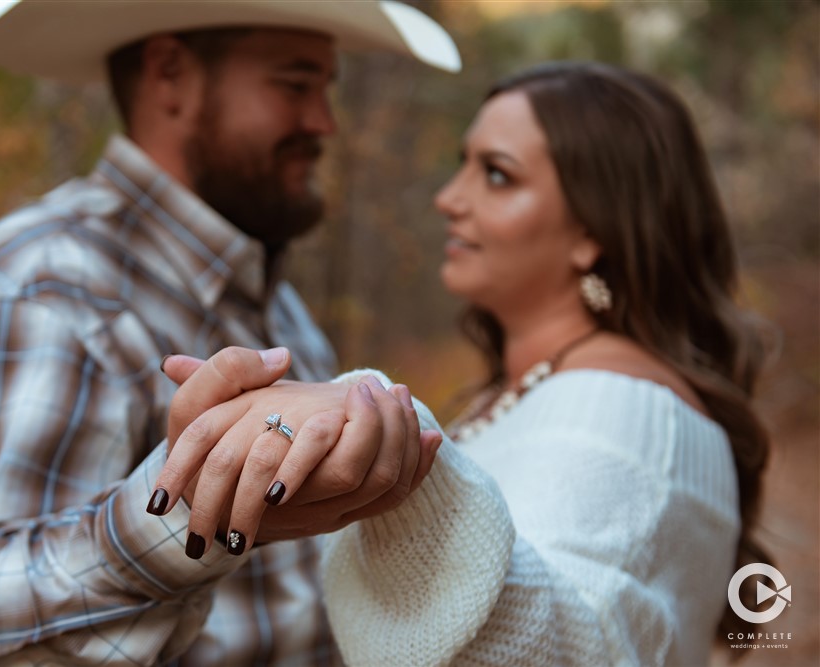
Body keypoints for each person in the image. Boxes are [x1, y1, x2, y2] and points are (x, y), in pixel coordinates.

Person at [0, 2, 460, 664]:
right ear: (170, 75)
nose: (324, 121)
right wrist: (183, 510)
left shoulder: (280, 306)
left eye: (326, 89)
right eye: (295, 84)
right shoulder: (40, 287)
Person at [156, 61, 772, 666]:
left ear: (594, 230)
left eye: (498, 175)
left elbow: (561, 649)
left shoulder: (619, 406)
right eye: (463, 166)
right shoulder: (548, 390)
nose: (449, 199)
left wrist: (369, 421)